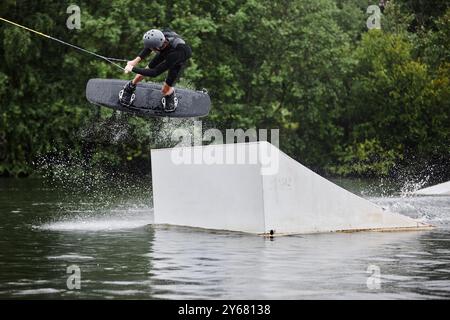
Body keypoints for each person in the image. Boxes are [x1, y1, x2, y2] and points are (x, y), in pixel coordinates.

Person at [120, 28, 192, 112]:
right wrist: (134, 62)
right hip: (165, 51)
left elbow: (155, 72)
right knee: (147, 68)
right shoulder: (161, 35)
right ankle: (131, 86)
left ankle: (170, 94)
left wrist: (132, 68)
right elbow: (148, 48)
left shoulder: (176, 53)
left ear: (157, 48)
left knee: (165, 89)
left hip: (177, 61)